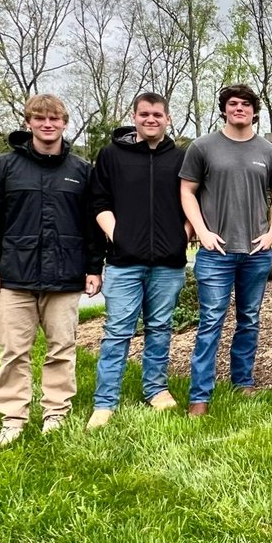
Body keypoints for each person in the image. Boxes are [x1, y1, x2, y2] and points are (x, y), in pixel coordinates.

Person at [0, 94, 103, 447]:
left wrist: (94, 268)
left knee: (62, 348)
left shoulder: (80, 171)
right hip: (15, 276)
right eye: (39, 118)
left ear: (65, 122)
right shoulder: (4, 167)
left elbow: (92, 226)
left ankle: (55, 413)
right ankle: (13, 417)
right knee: (14, 351)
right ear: (28, 122)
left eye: (54, 118)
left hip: (65, 276)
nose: (47, 124)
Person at [179, 84, 272, 416]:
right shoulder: (203, 147)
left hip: (256, 253)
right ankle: (200, 395)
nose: (239, 108)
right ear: (224, 110)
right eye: (232, 104)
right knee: (211, 321)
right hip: (216, 254)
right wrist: (202, 231)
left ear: (255, 111)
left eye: (245, 104)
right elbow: (187, 191)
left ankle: (243, 381)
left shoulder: (270, 152)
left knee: (249, 320)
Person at [86, 93, 190, 430]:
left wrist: (183, 234)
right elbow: (98, 202)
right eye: (144, 114)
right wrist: (119, 236)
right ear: (134, 117)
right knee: (117, 332)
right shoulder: (112, 157)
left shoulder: (181, 159)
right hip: (124, 262)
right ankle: (105, 402)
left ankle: (156, 389)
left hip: (168, 263)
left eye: (157, 114)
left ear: (168, 118)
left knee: (160, 328)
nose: (151, 120)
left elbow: (195, 202)